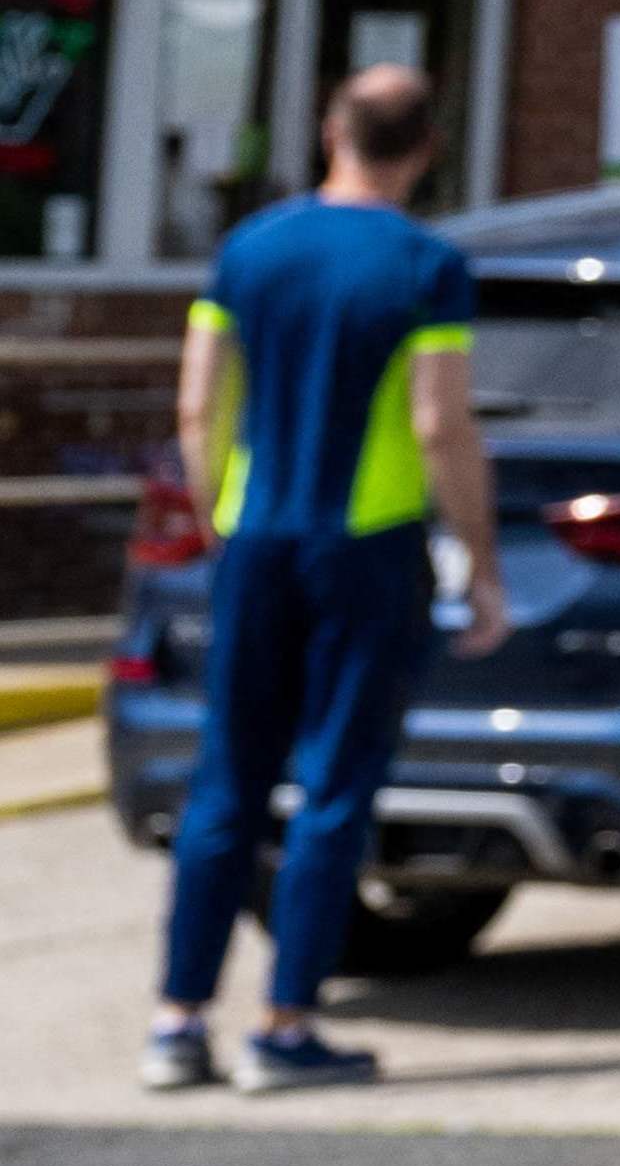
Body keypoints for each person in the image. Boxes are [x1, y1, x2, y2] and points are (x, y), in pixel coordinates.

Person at [150, 59, 496, 1094]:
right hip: (369, 542)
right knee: (335, 785)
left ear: (327, 129)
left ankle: (177, 1019)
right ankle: (286, 1023)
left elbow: (194, 406)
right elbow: (440, 423)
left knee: (228, 781)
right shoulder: (427, 263)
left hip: (255, 537)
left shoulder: (248, 248)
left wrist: (220, 516)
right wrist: (478, 558)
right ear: (427, 148)